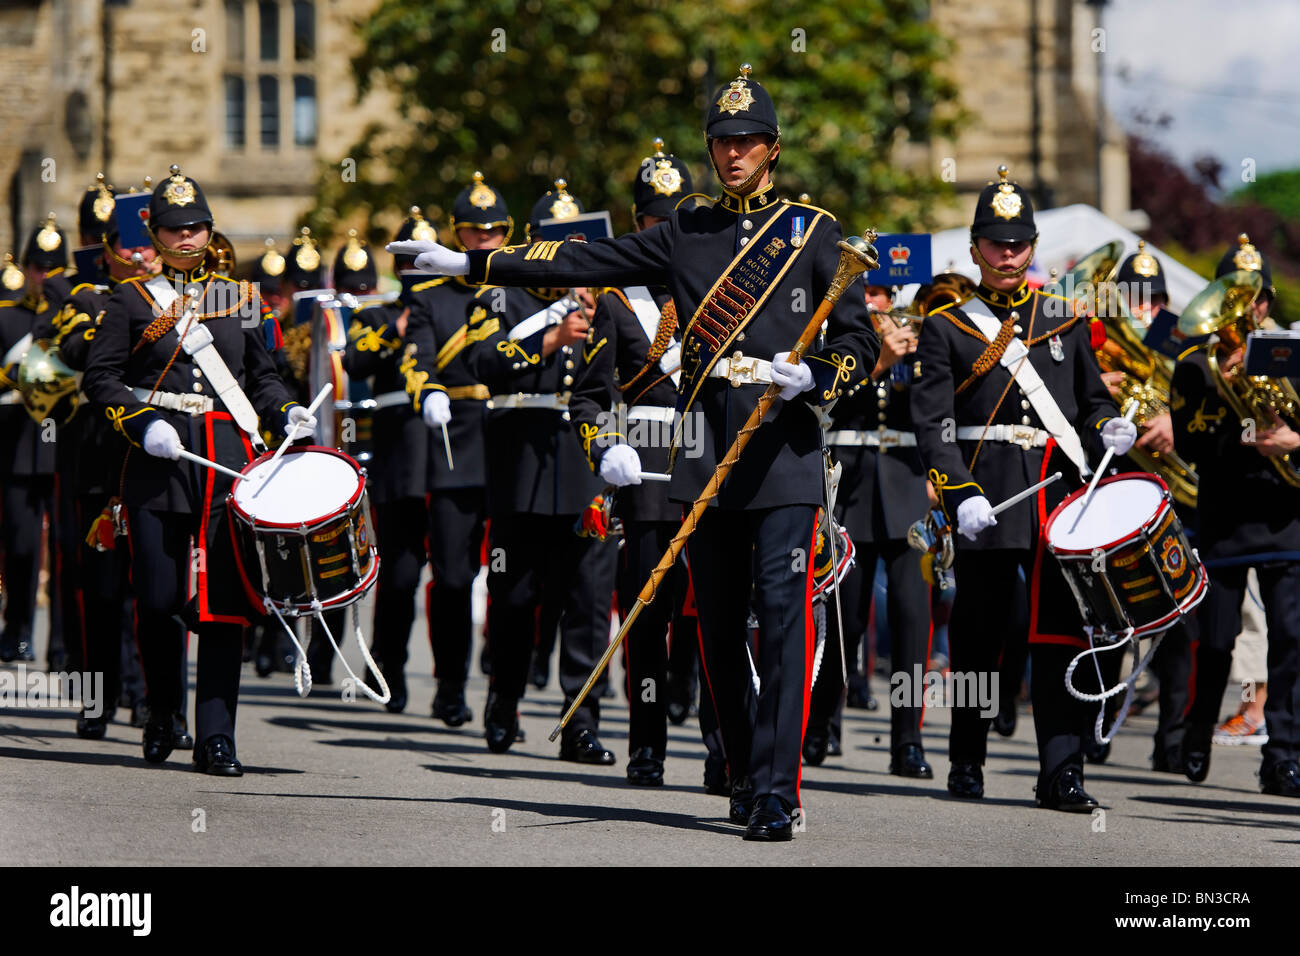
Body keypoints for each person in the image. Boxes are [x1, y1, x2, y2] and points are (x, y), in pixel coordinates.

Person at [390, 64, 879, 841]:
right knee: (715, 623)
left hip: (784, 449)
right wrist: (479, 263)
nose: (734, 154)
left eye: (749, 141)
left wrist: (815, 374)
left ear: (774, 148)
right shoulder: (686, 229)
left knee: (783, 617)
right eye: (723, 142)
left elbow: (860, 341)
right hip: (706, 446)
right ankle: (749, 771)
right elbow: (586, 261)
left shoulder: (813, 232)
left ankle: (779, 791)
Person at [911, 165, 1132, 811]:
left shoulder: (1064, 320)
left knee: (1061, 632)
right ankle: (966, 757)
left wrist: (1108, 426)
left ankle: (1062, 774)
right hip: (988, 498)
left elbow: (1089, 403)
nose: (1007, 254)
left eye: (1017, 243)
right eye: (995, 242)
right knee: (980, 635)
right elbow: (932, 427)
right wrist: (959, 493)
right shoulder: (948, 326)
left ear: (1031, 247)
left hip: (1057, 498)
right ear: (976, 248)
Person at [82, 165, 312, 774]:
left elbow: (261, 375)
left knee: (222, 603)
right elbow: (99, 377)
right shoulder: (129, 300)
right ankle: (162, 711)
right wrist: (139, 422)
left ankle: (217, 738)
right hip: (157, 456)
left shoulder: (237, 297)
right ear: (154, 235)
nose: (186, 238)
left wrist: (286, 409)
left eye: (197, 228)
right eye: (173, 229)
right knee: (158, 600)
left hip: (226, 458)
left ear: (209, 233)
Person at [427, 177, 619, 765]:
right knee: (515, 596)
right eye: (555, 244)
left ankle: (580, 721)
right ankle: (503, 701)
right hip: (521, 463)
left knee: (587, 600)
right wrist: (549, 338)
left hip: (585, 464)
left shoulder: (604, 300)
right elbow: (482, 361)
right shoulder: (503, 296)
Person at [567, 137, 719, 787]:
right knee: (647, 616)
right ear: (637, 226)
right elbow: (588, 399)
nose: (665, 232)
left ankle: (724, 749)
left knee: (718, 612)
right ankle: (647, 746)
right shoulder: (616, 301)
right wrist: (605, 447)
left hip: (712, 461)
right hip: (647, 471)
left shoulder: (719, 289)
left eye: (675, 220)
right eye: (655, 222)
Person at [1172, 233, 1300, 797]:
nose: (1248, 308)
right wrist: (1243, 426)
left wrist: (1293, 439)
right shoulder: (1193, 368)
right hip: (1224, 518)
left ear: (1267, 303)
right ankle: (1197, 730)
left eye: (1257, 297)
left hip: (1286, 518)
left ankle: (1284, 754)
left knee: (1292, 636)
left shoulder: (1294, 355)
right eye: (1235, 294)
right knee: (1217, 642)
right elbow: (1192, 448)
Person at [805, 280, 934, 779]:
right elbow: (826, 404)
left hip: (906, 488)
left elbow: (940, 408)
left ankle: (908, 741)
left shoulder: (924, 343)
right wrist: (878, 357)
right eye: (871, 296)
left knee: (912, 623)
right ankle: (820, 725)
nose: (879, 306)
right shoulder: (838, 339)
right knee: (845, 624)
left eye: (886, 296)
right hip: (851, 490)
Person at [44, 195, 162, 739]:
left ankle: (148, 698)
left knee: (153, 582)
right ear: (109, 251)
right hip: (94, 450)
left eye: (147, 244)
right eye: (129, 246)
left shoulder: (179, 299)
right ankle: (98, 697)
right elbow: (65, 350)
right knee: (100, 583)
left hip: (152, 450)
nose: (141, 256)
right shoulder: (84, 296)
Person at [400, 186, 508, 726]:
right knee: (451, 573)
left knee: (513, 573)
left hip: (514, 436)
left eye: (493, 232)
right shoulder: (432, 294)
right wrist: (430, 391)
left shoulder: (520, 286)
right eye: (473, 231)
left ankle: (504, 680)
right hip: (455, 440)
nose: (483, 239)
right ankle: (449, 685)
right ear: (457, 234)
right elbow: (416, 357)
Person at [0, 214, 66, 664]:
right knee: (21, 545)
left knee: (65, 550)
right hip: (17, 445)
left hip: (64, 446)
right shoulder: (6, 316)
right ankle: (18, 627)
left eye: (53, 267)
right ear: (25, 267)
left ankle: (62, 643)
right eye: (39, 267)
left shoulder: (74, 313)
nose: (45, 275)